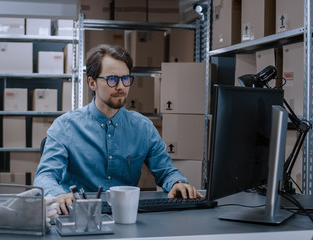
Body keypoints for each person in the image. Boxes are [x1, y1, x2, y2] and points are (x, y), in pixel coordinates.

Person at [34, 44, 202, 215]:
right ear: (92, 83)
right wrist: (59, 195)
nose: (121, 86)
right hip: (79, 216)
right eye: (112, 79)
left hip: (126, 215)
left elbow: (166, 170)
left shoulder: (143, 128)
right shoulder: (65, 126)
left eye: (126, 79)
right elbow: (45, 176)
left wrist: (177, 183)